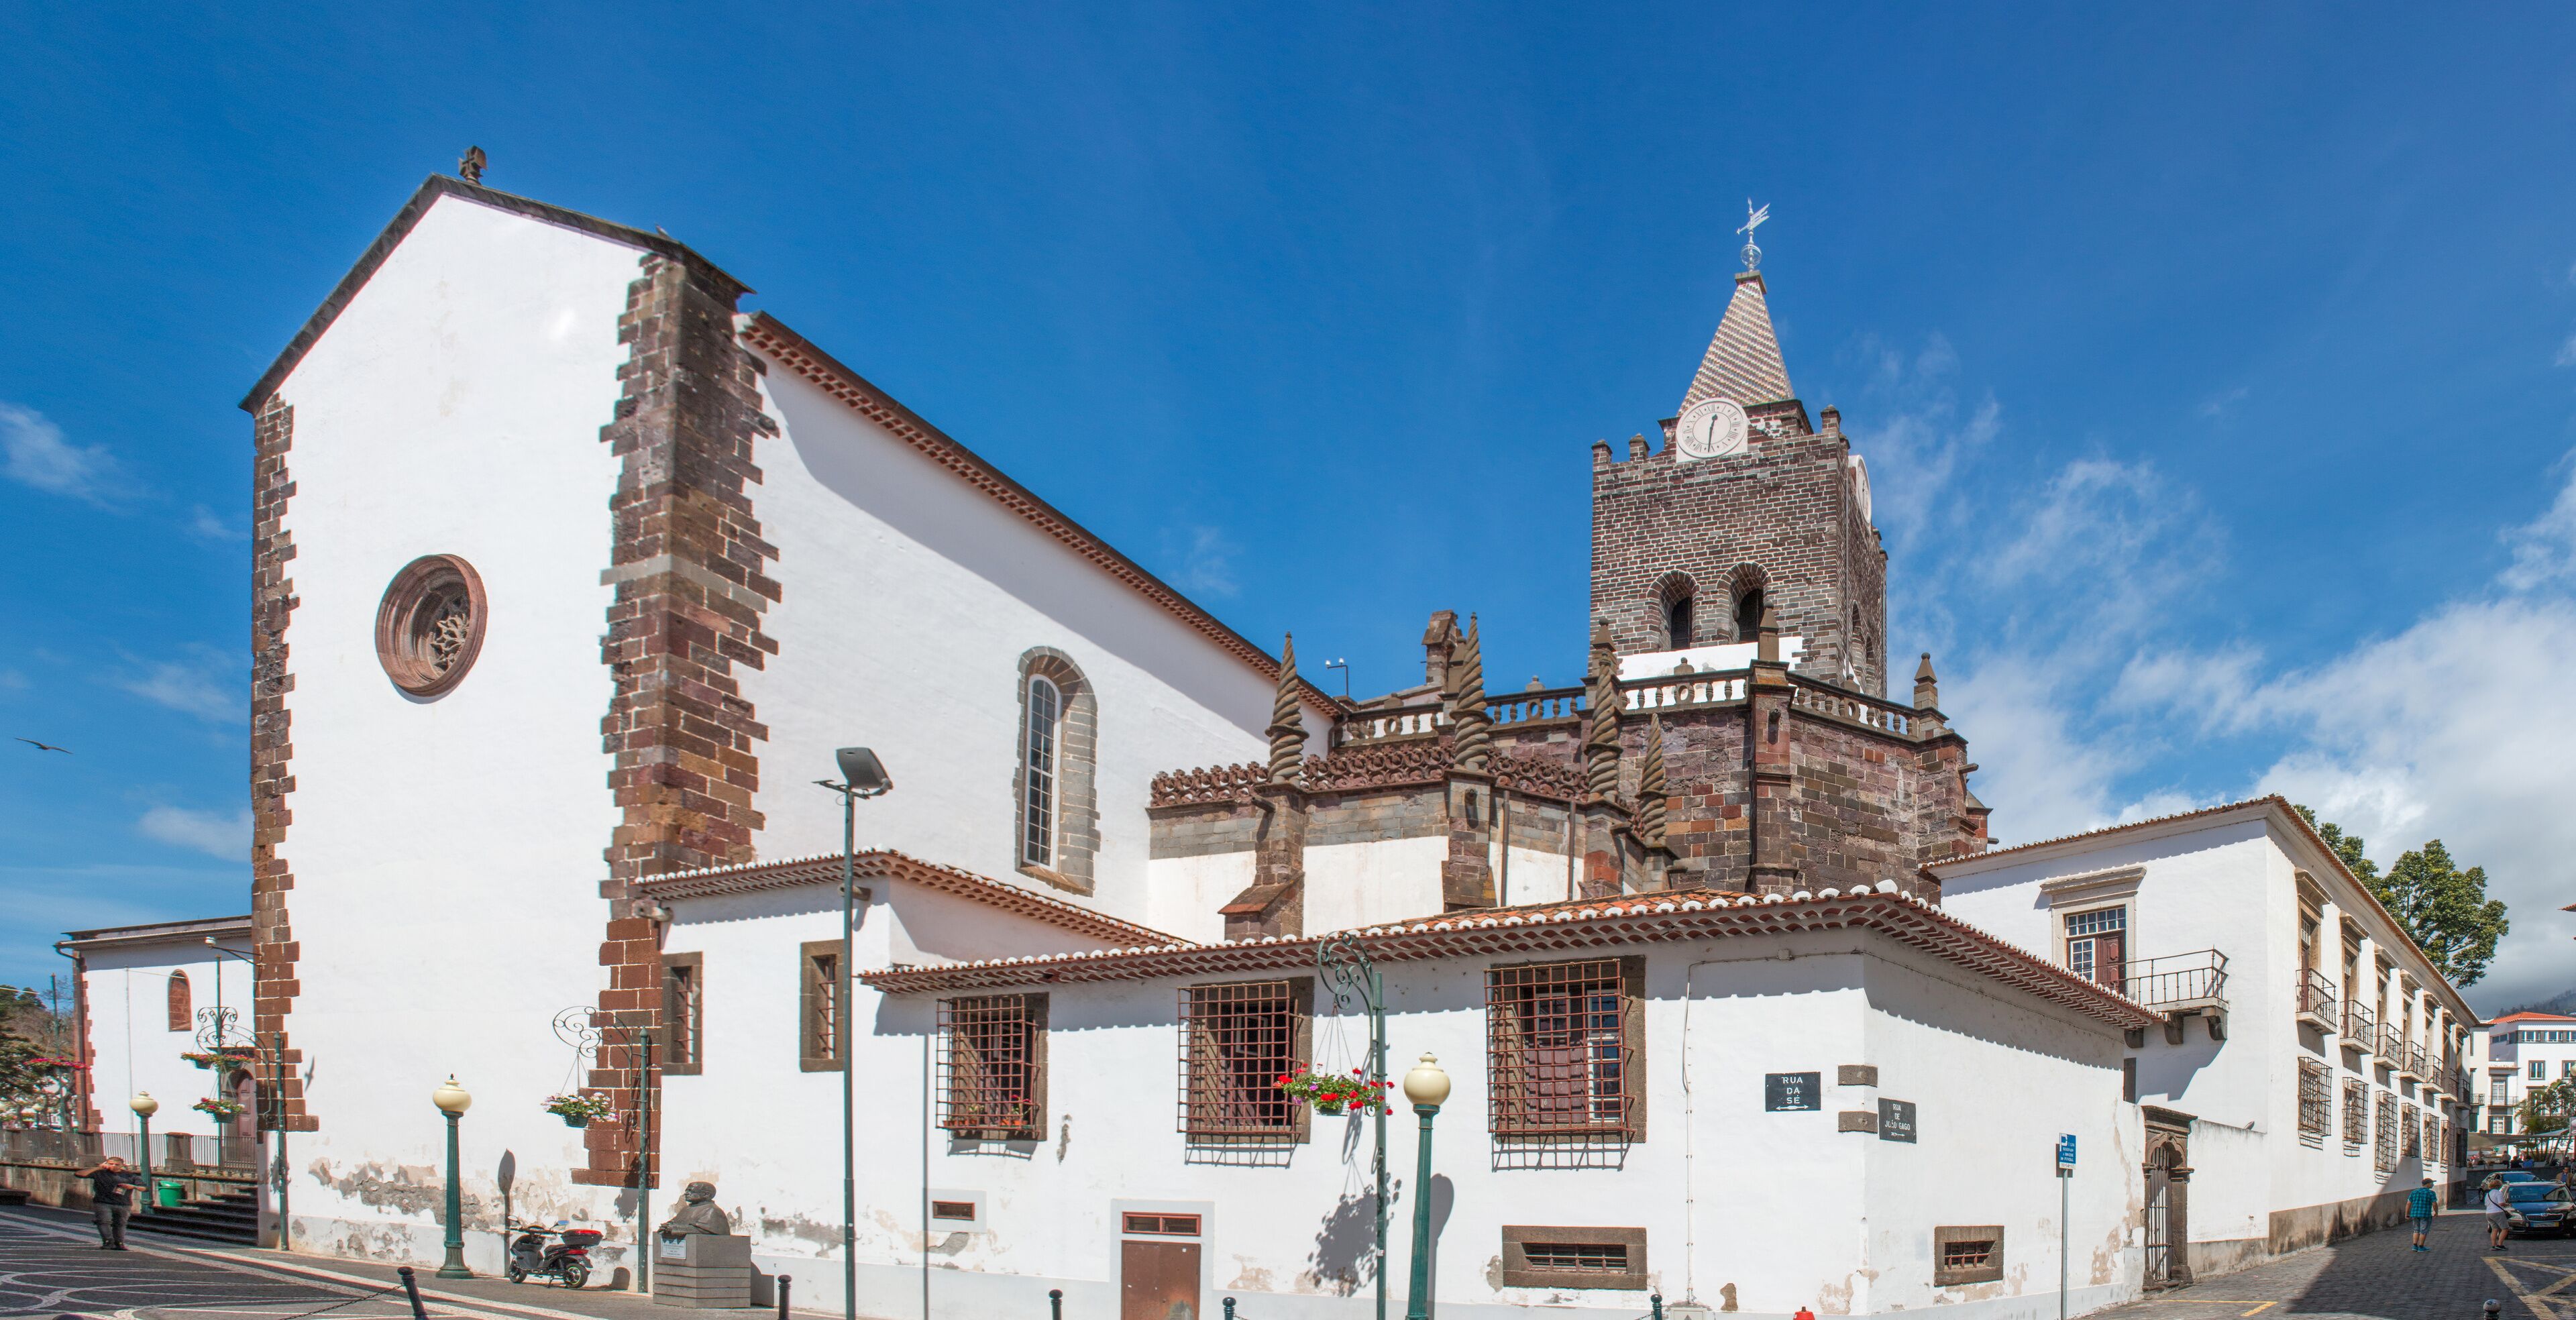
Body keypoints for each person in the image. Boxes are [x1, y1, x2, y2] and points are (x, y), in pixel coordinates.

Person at [74, 1155, 147, 1250]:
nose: (114, 1166)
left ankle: (119, 1243)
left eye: (117, 1164)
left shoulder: (130, 1175)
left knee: (121, 1224)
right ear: (106, 1163)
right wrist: (98, 1168)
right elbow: (79, 1174)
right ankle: (108, 1241)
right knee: (104, 1221)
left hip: (123, 1203)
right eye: (111, 1164)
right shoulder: (100, 1173)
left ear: (122, 1165)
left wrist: (133, 1187)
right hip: (103, 1202)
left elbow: (144, 1188)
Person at [2407, 1177, 2438, 1251]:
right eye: (2432, 1183)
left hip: (2415, 1214)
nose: (2433, 1185)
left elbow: (2408, 1204)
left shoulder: (2414, 1192)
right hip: (2425, 1214)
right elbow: (2434, 1204)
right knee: (2423, 1231)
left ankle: (2415, 1246)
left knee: (2416, 1230)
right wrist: (2436, 1212)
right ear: (2428, 1184)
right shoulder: (2431, 1193)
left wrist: (2407, 1213)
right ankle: (2421, 1247)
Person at [2484, 1175, 2512, 1252]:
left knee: (2494, 1229)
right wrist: (2507, 1204)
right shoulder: (2498, 1193)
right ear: (2498, 1186)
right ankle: (2500, 1245)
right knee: (2505, 1228)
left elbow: (2486, 1204)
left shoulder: (2488, 1194)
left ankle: (2494, 1245)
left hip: (2488, 1213)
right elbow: (2501, 1203)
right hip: (2497, 1212)